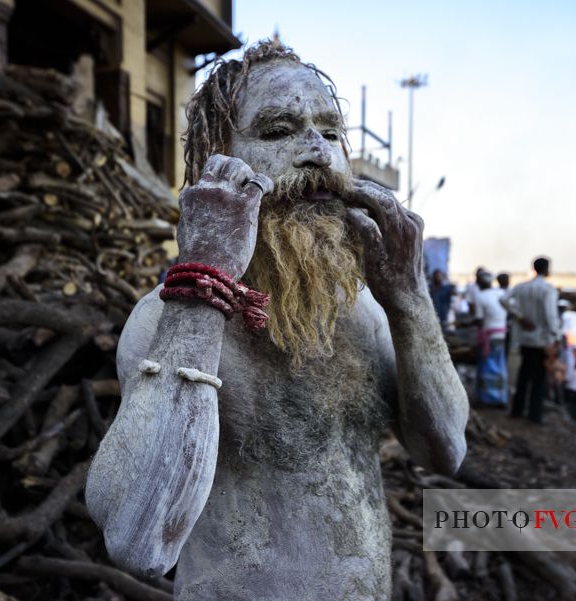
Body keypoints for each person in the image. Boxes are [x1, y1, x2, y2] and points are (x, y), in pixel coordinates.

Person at [85, 40, 468, 600]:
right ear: (218, 158)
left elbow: (445, 451)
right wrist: (205, 275)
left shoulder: (363, 312)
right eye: (278, 130)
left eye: (330, 131)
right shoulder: (165, 323)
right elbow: (140, 543)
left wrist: (409, 295)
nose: (317, 150)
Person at [500, 257, 561, 424]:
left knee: (523, 375)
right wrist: (557, 336)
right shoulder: (548, 290)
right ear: (546, 269)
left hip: (524, 339)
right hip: (541, 340)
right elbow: (551, 316)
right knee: (538, 379)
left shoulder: (521, 287)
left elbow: (503, 300)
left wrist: (519, 317)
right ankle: (535, 415)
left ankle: (517, 410)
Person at [474, 271, 508, 406]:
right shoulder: (501, 293)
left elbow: (479, 320)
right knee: (500, 367)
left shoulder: (481, 296)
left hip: (489, 336)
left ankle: (486, 399)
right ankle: (500, 397)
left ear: (480, 282)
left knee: (486, 367)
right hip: (501, 335)